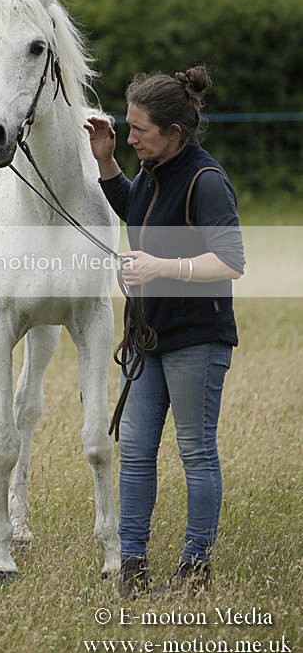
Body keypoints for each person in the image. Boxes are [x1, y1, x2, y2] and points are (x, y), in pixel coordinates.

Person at [84, 65, 245, 599]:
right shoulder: (153, 171)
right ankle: (133, 567)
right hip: (150, 335)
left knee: (196, 452)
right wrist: (107, 161)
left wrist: (160, 268)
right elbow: (135, 209)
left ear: (174, 132)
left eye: (138, 131)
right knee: (134, 448)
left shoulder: (206, 180)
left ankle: (195, 569)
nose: (130, 138)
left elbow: (231, 261)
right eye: (127, 128)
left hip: (198, 338)